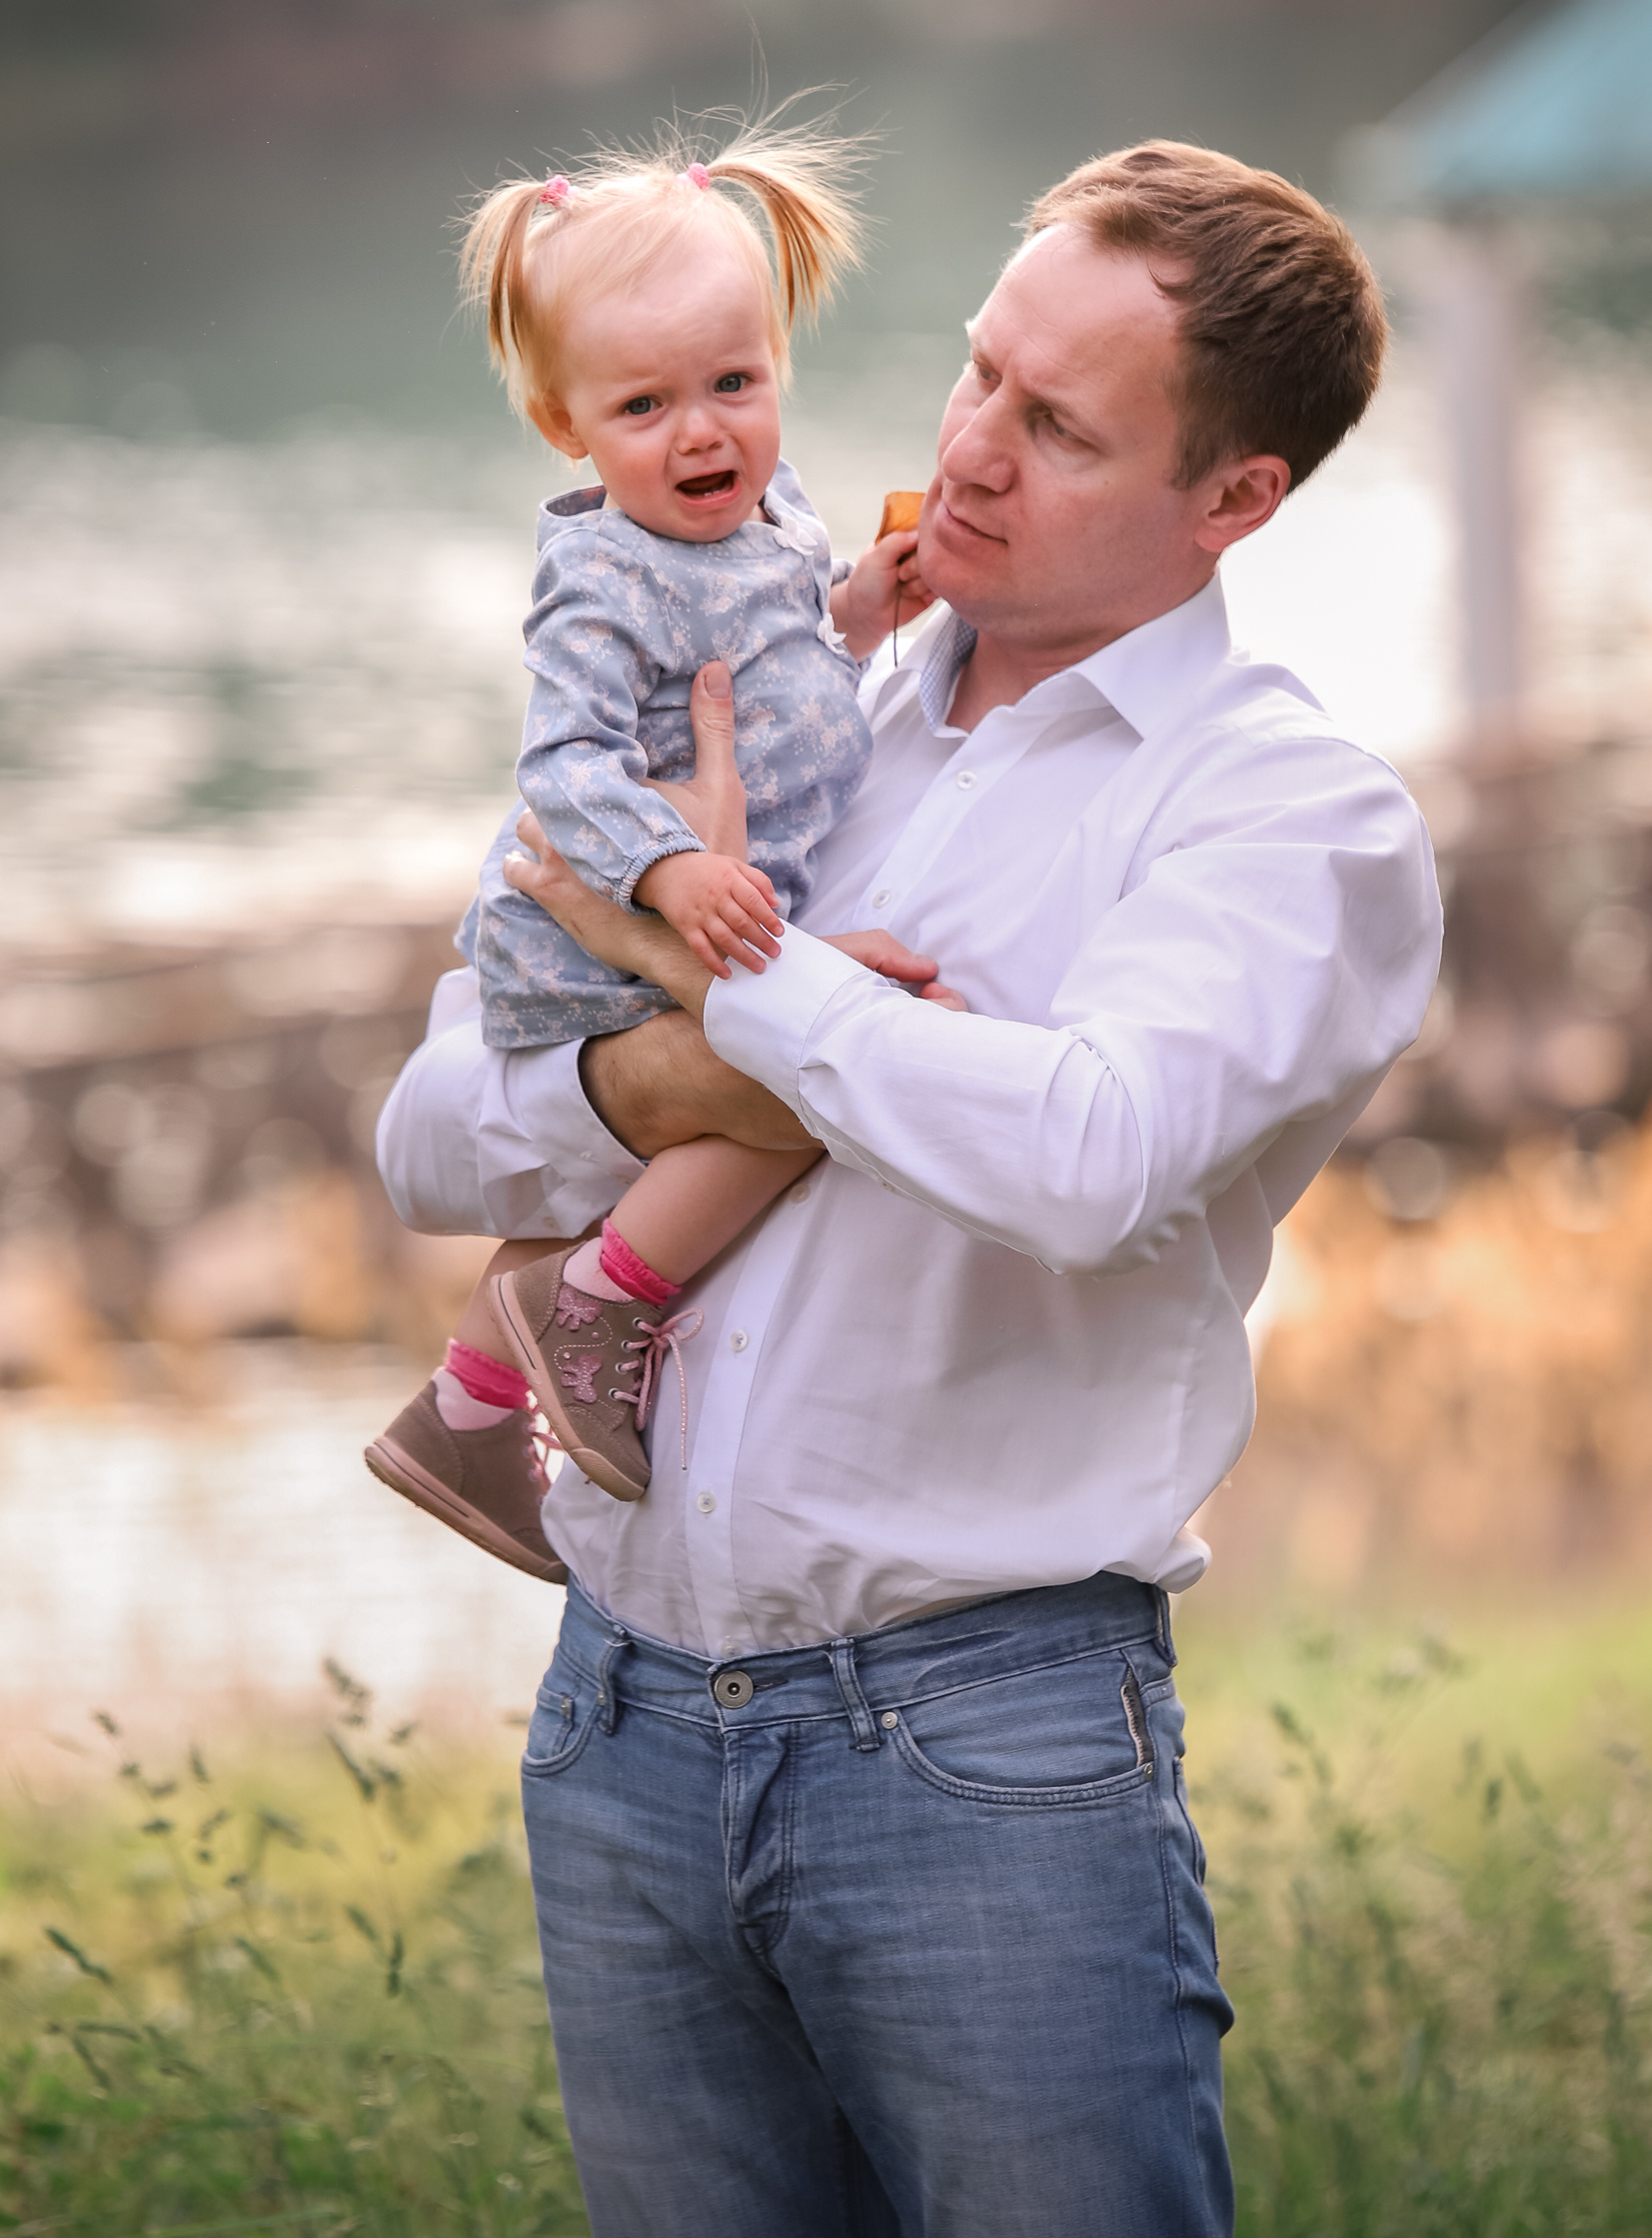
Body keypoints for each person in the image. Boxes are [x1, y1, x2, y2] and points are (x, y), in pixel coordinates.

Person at [376, 141, 1443, 2235]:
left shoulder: (1283, 816)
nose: (961, 449)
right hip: (619, 1712)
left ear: (1233, 500)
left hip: (976, 1749)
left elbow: (1076, 1155)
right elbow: (433, 1126)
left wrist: (731, 1004)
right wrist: (703, 1037)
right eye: (975, 370)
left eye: (1054, 427)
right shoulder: (793, 686)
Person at [365, 119, 937, 1563]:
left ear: (777, 369)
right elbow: (563, 764)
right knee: (794, 1081)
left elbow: (781, 656)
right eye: (645, 407)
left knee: (731, 1087)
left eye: (735, 385)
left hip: (696, 906)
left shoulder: (772, 510)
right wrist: (668, 871)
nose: (703, 433)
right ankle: (605, 1299)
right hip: (603, 924)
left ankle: (472, 1408)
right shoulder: (601, 575)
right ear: (568, 427)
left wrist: (862, 607)